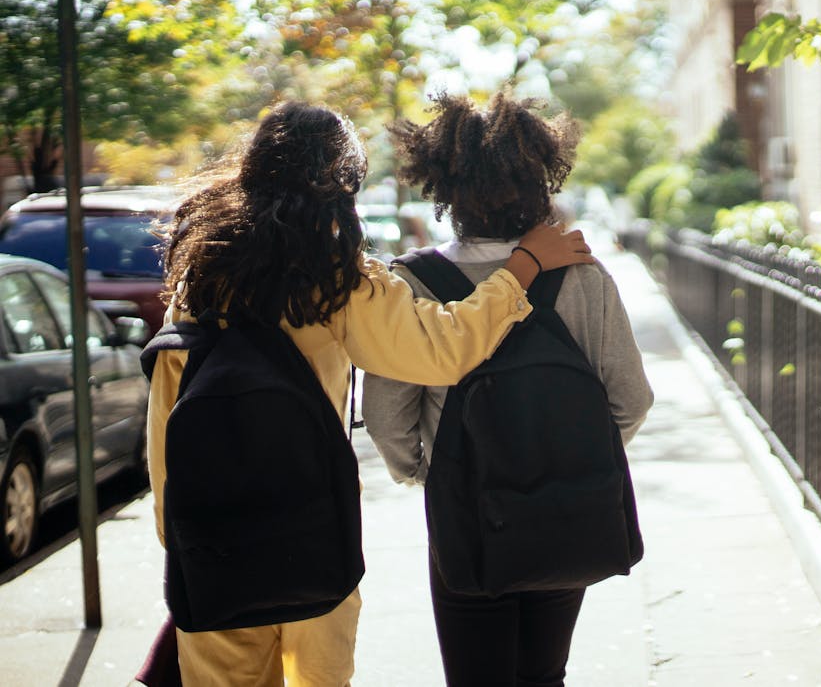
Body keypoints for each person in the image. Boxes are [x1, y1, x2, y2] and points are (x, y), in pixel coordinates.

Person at [146, 101, 595, 687]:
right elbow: (443, 348)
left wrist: (176, 534)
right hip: (308, 526)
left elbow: (168, 403)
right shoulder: (331, 280)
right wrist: (523, 268)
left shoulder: (199, 265)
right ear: (342, 181)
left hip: (208, 529)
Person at [362, 92, 653, 687]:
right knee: (545, 675)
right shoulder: (583, 274)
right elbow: (631, 397)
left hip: (465, 510)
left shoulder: (414, 281)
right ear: (541, 179)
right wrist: (577, 455)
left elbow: (388, 413)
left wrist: (426, 471)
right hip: (566, 503)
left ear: (444, 189)